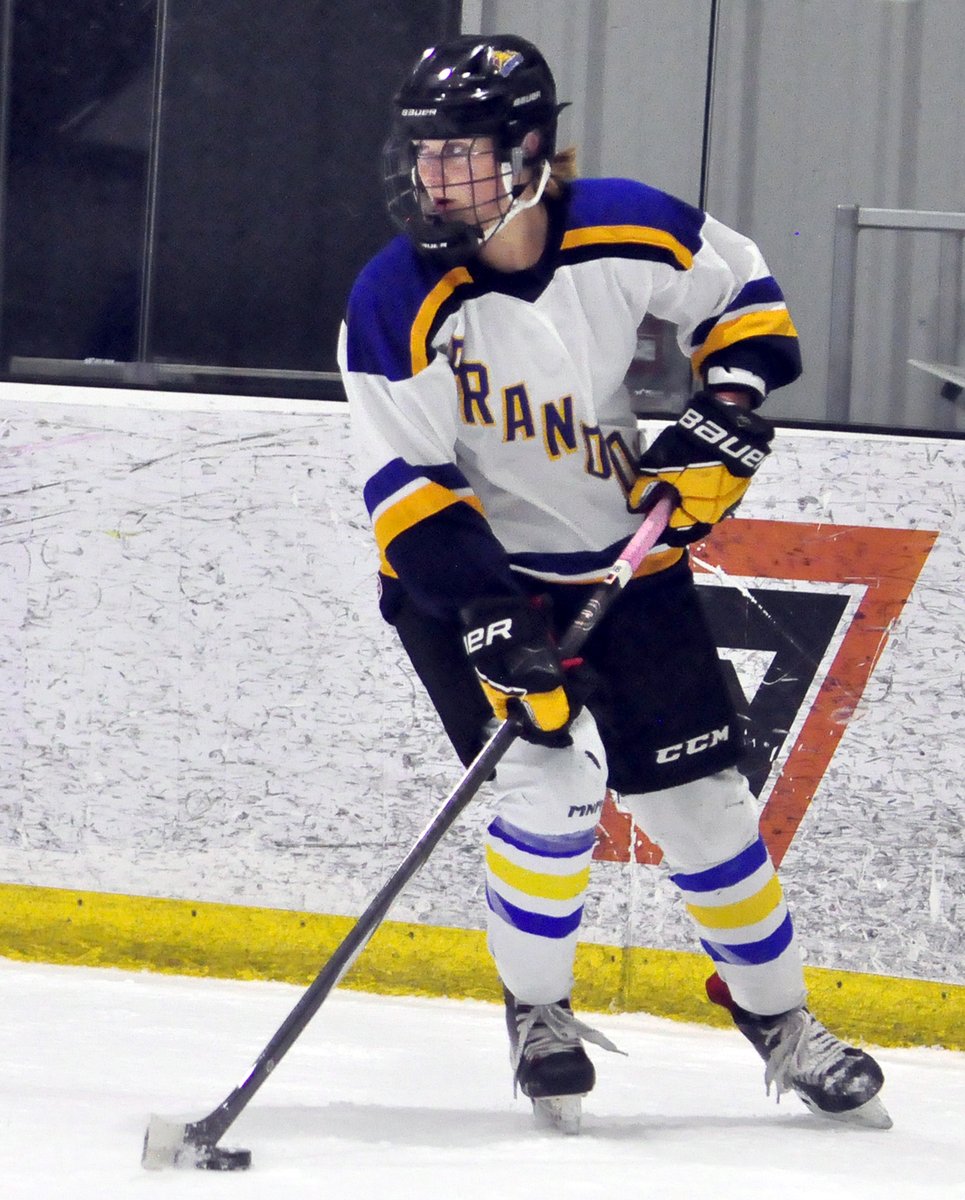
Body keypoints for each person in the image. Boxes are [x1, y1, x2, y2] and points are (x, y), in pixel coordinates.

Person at [337, 33, 890, 1133]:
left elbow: (747, 300)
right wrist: (492, 623)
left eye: (460, 154)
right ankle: (536, 1014)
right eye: (424, 156)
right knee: (549, 790)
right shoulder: (393, 297)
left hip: (625, 567)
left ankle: (777, 1021)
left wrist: (724, 407)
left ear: (532, 151)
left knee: (705, 812)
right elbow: (404, 488)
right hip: (471, 583)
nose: (433, 178)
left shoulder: (628, 225)